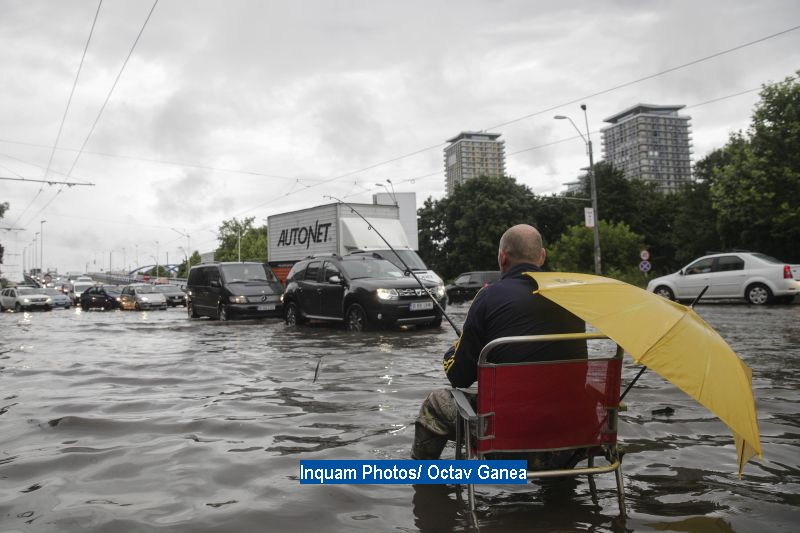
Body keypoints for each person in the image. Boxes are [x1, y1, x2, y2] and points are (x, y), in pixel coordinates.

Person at [412, 224, 587, 461]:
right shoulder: (572, 300)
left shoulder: (488, 297)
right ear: (542, 257)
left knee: (436, 403)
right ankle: (561, 483)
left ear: (502, 257)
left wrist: (454, 350)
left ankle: (422, 479)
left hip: (507, 438)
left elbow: (459, 377)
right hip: (570, 436)